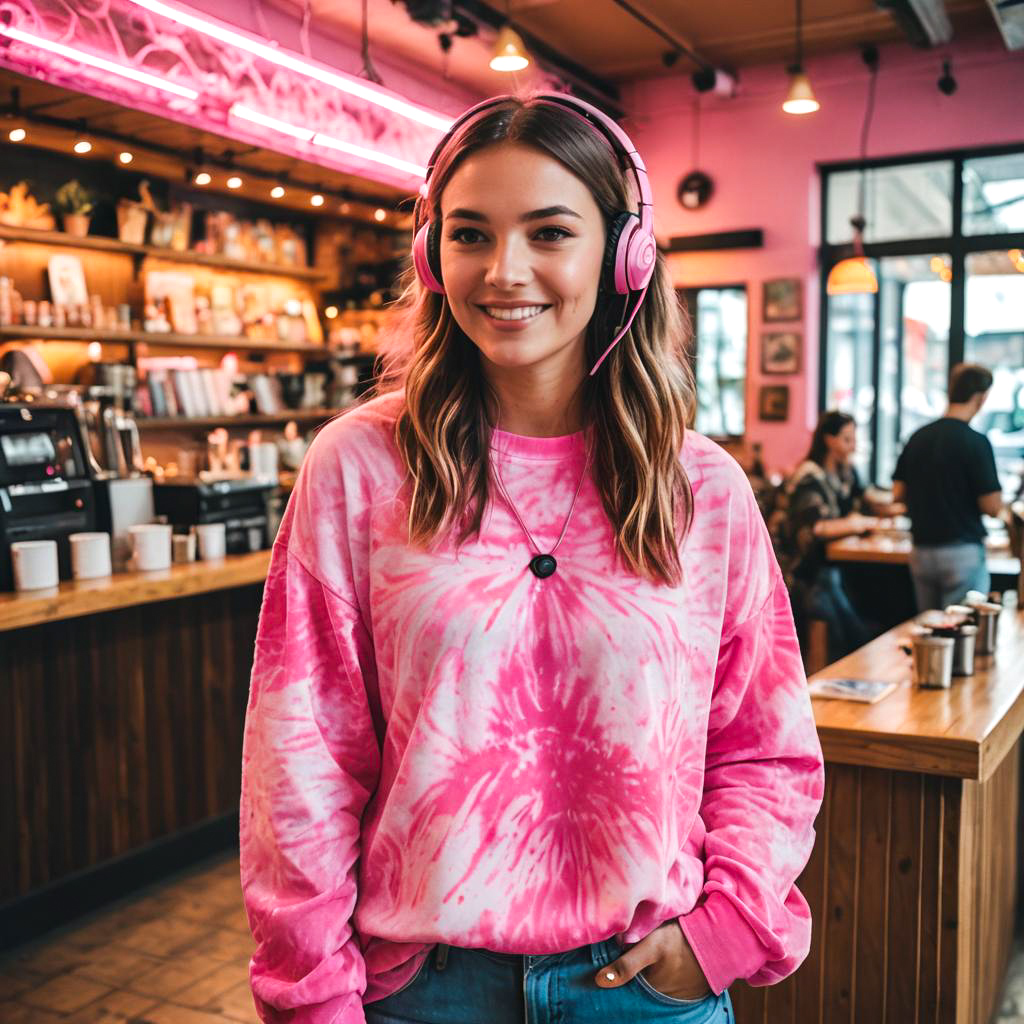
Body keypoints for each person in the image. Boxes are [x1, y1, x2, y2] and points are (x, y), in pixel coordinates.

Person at [239, 93, 824, 1024]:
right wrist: (312, 994)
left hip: (646, 988)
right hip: (422, 989)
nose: (504, 271)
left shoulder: (701, 488)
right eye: (470, 235)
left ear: (623, 254)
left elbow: (765, 745)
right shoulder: (357, 468)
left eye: (550, 232)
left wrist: (723, 931)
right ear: (434, 257)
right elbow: (301, 758)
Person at [892, 362, 1002, 611]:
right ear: (981, 398)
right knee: (960, 631)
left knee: (930, 632)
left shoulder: (917, 438)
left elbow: (898, 494)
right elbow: (992, 507)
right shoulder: (976, 442)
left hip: (921, 550)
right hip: (962, 552)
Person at [780, 411, 881, 661]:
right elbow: (815, 528)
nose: (854, 446)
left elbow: (871, 500)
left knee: (856, 618)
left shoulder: (845, 473)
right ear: (829, 439)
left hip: (829, 568)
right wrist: (856, 523)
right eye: (848, 439)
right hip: (802, 571)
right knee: (844, 624)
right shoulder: (810, 476)